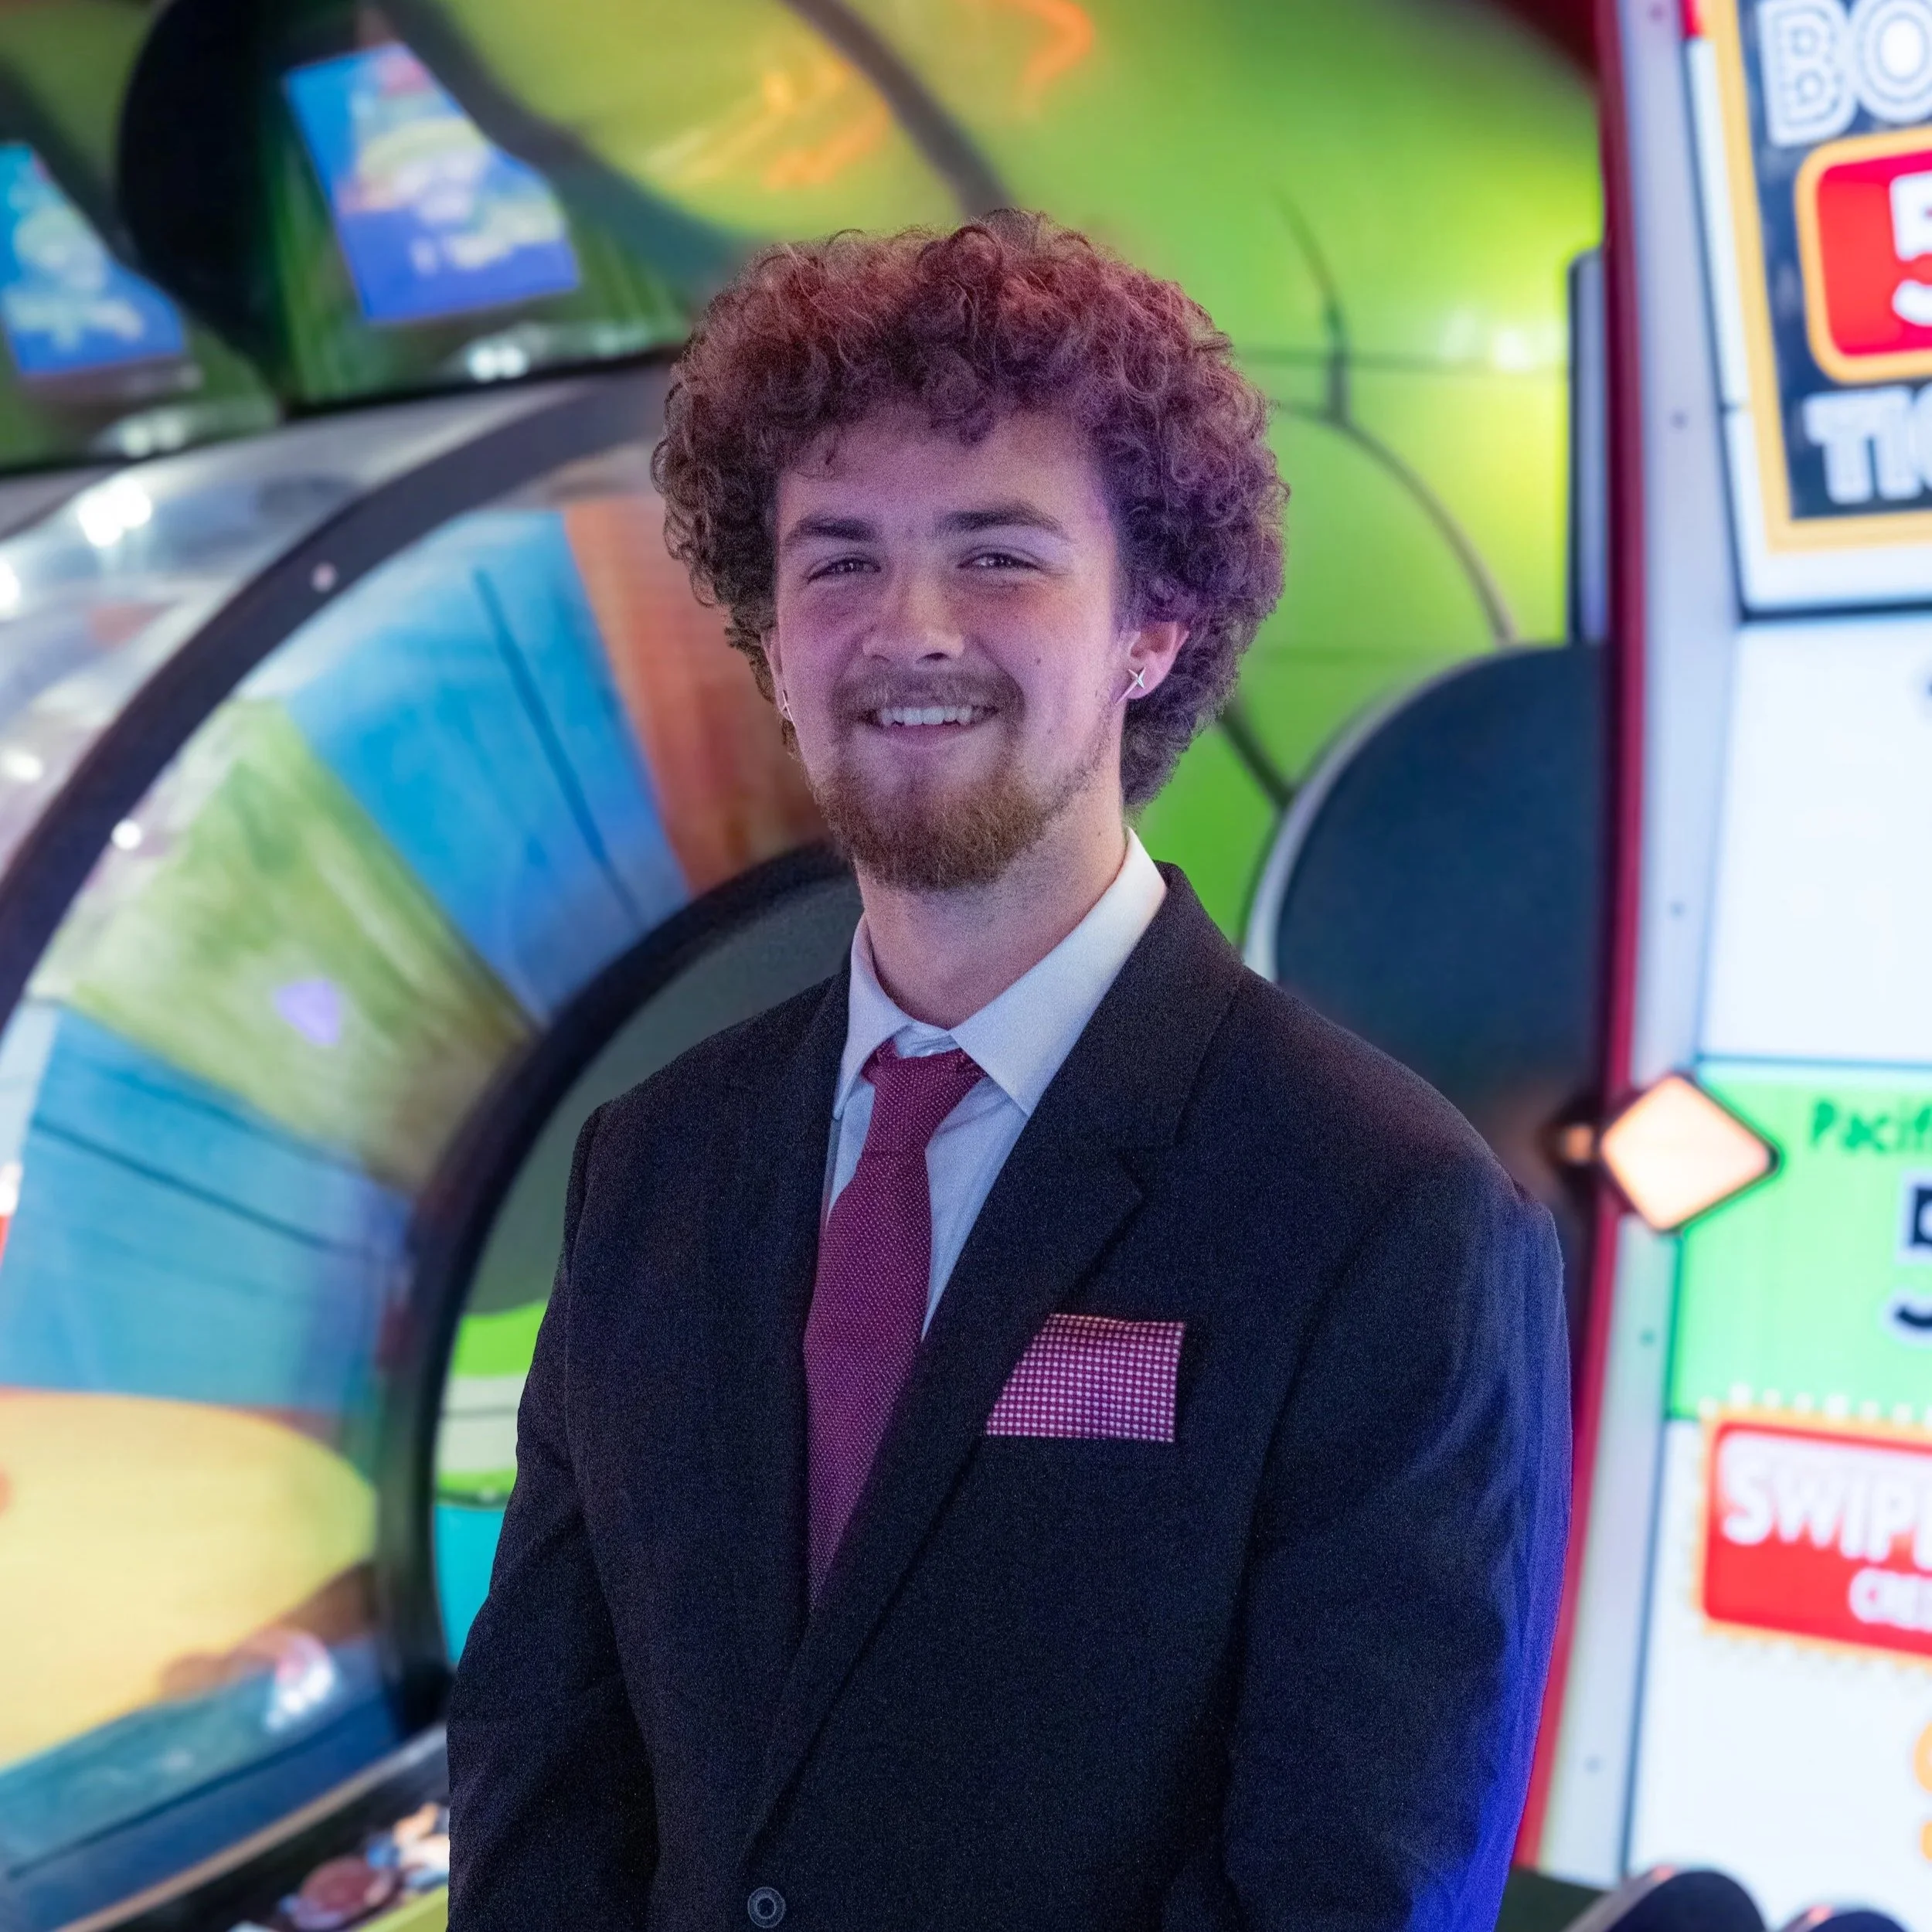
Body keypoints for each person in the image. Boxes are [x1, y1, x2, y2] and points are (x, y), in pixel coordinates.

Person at [447, 213, 1570, 1932]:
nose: (906, 628)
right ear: (766, 635)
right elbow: (543, 1796)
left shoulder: (1384, 1213)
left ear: (1154, 627)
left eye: (997, 555)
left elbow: (1344, 1892)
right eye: (835, 561)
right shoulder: (649, 1166)